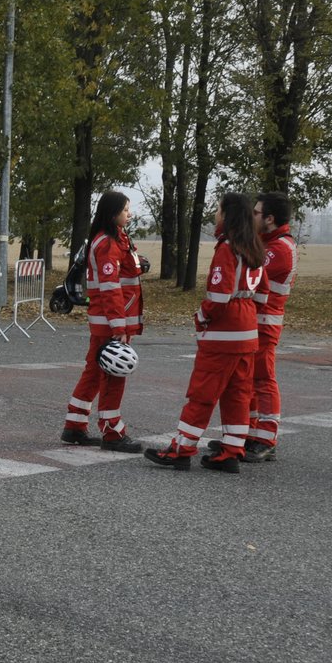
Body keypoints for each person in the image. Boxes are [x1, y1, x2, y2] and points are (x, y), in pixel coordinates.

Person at [146, 192, 267, 472]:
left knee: (203, 393)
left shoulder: (227, 248)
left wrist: (200, 317)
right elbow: (263, 293)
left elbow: (219, 297)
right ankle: (232, 451)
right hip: (248, 331)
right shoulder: (254, 247)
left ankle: (181, 449)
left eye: (218, 209)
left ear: (228, 215)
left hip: (225, 332)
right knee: (238, 394)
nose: (215, 214)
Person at [60, 190, 148, 452]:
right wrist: (119, 327)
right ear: (112, 214)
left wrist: (139, 264)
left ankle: (75, 426)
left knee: (95, 371)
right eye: (125, 210)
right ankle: (112, 432)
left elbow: (123, 272)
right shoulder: (107, 242)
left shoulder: (115, 239)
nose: (129, 214)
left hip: (107, 320)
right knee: (113, 374)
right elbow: (111, 288)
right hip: (111, 322)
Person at [243, 192, 296, 459]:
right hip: (255, 320)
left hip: (265, 322)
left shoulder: (280, 249)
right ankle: (251, 434)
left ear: (270, 219)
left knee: (263, 379)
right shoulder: (268, 242)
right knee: (250, 380)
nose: (252, 217)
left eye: (256, 213)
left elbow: (249, 271)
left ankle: (266, 438)